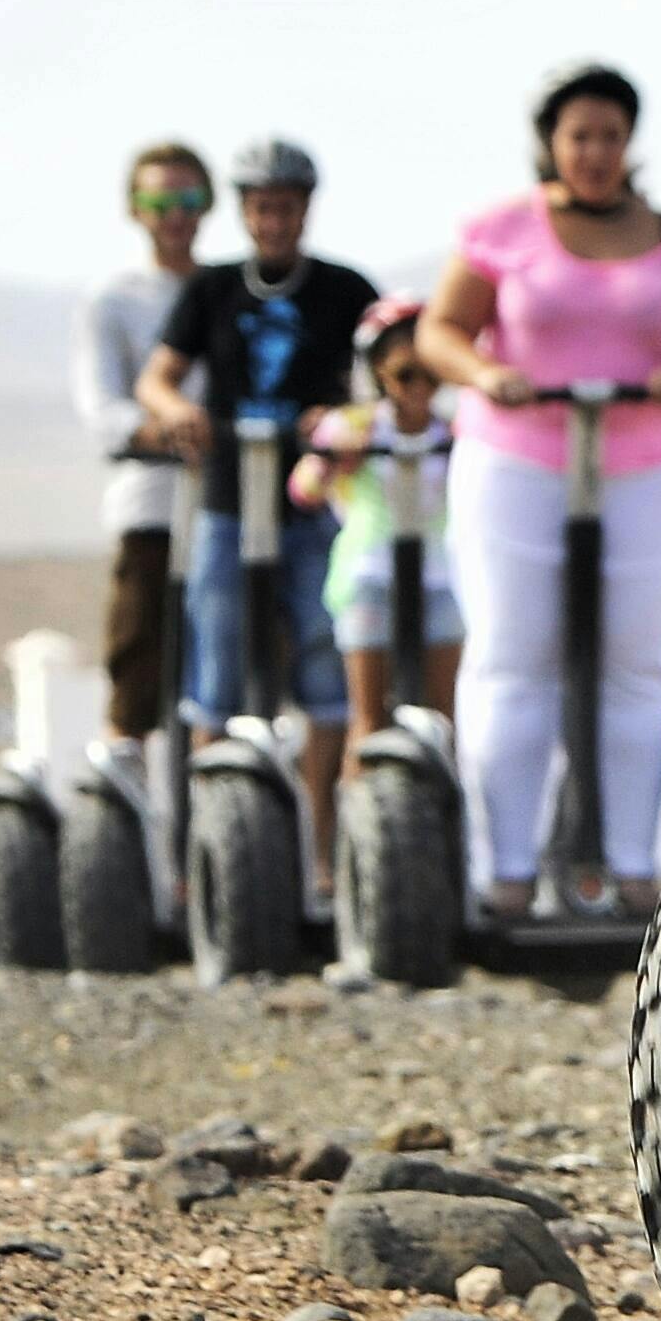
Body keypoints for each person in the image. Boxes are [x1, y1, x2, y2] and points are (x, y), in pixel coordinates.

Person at [416, 66, 661, 924]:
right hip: (519, 462)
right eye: (579, 136)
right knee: (515, 657)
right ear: (552, 143)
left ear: (630, 142)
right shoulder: (505, 232)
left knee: (636, 663)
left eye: (610, 135)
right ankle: (506, 872)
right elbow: (440, 332)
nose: (596, 152)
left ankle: (638, 869)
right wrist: (489, 373)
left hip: (644, 465)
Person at [133, 142, 384, 859]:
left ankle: (325, 851)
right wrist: (176, 410)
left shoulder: (343, 290)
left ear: (306, 209)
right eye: (262, 207)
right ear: (243, 211)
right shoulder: (212, 289)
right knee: (215, 658)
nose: (274, 221)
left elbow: (383, 383)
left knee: (321, 654)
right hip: (224, 500)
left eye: (287, 207)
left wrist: (339, 422)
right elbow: (158, 378)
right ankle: (210, 847)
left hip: (311, 503)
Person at [282, 297, 469, 908]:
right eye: (404, 376)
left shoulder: (456, 431)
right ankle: (342, 857)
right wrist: (336, 455)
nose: (420, 389)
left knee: (444, 720)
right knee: (368, 718)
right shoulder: (356, 428)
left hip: (441, 580)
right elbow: (304, 489)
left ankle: (448, 851)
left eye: (431, 375)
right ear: (378, 375)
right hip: (368, 578)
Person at [74, 142, 208, 754]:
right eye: (160, 201)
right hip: (150, 503)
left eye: (187, 199)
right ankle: (123, 815)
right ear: (136, 208)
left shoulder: (223, 289)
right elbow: (101, 406)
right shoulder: (114, 296)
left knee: (221, 666)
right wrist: (165, 432)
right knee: (137, 663)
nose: (174, 215)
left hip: (227, 504)